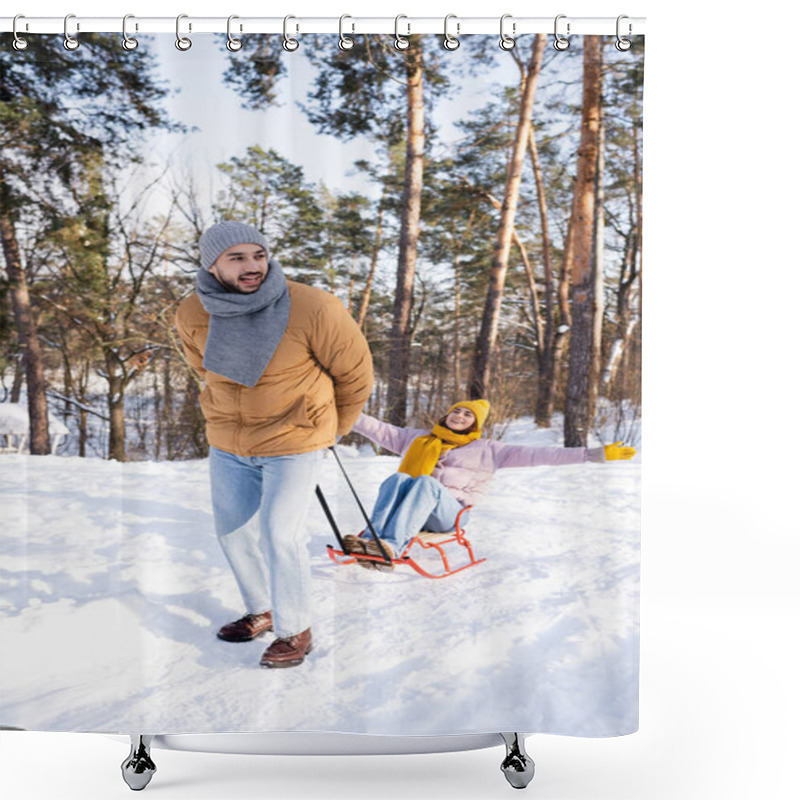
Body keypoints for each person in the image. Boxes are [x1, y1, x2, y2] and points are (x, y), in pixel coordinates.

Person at [175, 220, 373, 668]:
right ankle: (261, 608)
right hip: (229, 440)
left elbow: (356, 374)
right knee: (233, 533)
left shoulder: (313, 307)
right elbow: (201, 368)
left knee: (280, 534)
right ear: (212, 264)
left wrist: (330, 429)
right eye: (237, 258)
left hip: (295, 439)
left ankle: (295, 629)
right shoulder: (192, 311)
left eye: (259, 255)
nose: (252, 267)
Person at [344, 400, 636, 571]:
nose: (459, 416)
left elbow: (541, 454)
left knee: (423, 482)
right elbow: (374, 427)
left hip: (449, 514)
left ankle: (391, 548)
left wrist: (592, 454)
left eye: (467, 414)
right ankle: (370, 540)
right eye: (456, 411)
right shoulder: (418, 439)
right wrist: (337, 407)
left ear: (475, 424)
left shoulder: (490, 450)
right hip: (412, 507)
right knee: (398, 478)